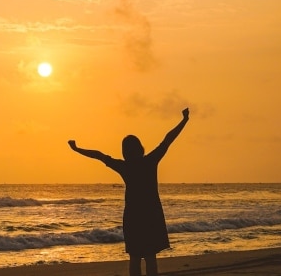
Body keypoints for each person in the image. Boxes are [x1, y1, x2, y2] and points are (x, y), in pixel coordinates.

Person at [68, 108, 190, 276]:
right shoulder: (150, 161)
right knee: (150, 256)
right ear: (140, 148)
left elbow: (99, 155)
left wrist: (77, 149)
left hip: (133, 216)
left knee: (135, 257)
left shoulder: (125, 166)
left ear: (125, 151)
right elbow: (168, 140)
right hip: (151, 214)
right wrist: (184, 120)